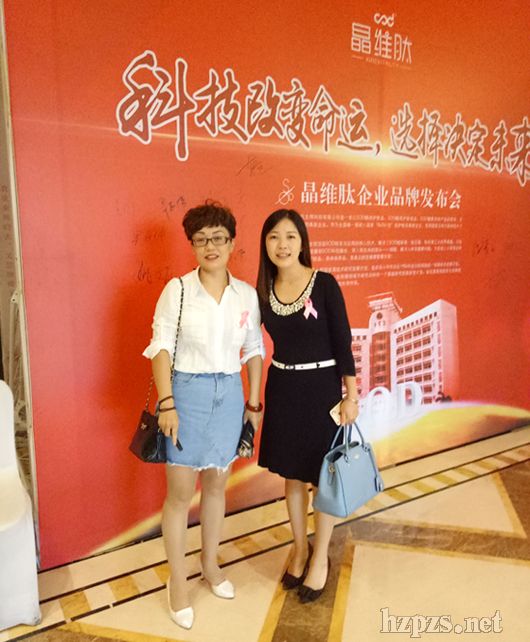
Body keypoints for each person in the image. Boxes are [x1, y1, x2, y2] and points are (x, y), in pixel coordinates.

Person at [143, 201, 264, 629]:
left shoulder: (245, 294)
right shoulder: (177, 290)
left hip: (229, 394)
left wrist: (253, 403)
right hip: (187, 394)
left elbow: (253, 350)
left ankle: (210, 565)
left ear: (232, 243)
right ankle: (178, 582)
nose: (210, 246)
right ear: (192, 245)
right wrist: (167, 403)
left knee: (216, 487)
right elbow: (160, 348)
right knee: (179, 495)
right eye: (201, 239)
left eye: (218, 238)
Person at [257, 209, 358, 603]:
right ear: (265, 244)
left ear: (302, 241)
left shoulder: (324, 284)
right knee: (292, 475)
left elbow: (343, 343)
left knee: (324, 477)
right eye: (274, 237)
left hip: (321, 391)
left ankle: (320, 559)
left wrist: (351, 396)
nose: (282, 245)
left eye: (290, 236)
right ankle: (300, 549)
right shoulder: (262, 291)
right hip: (283, 387)